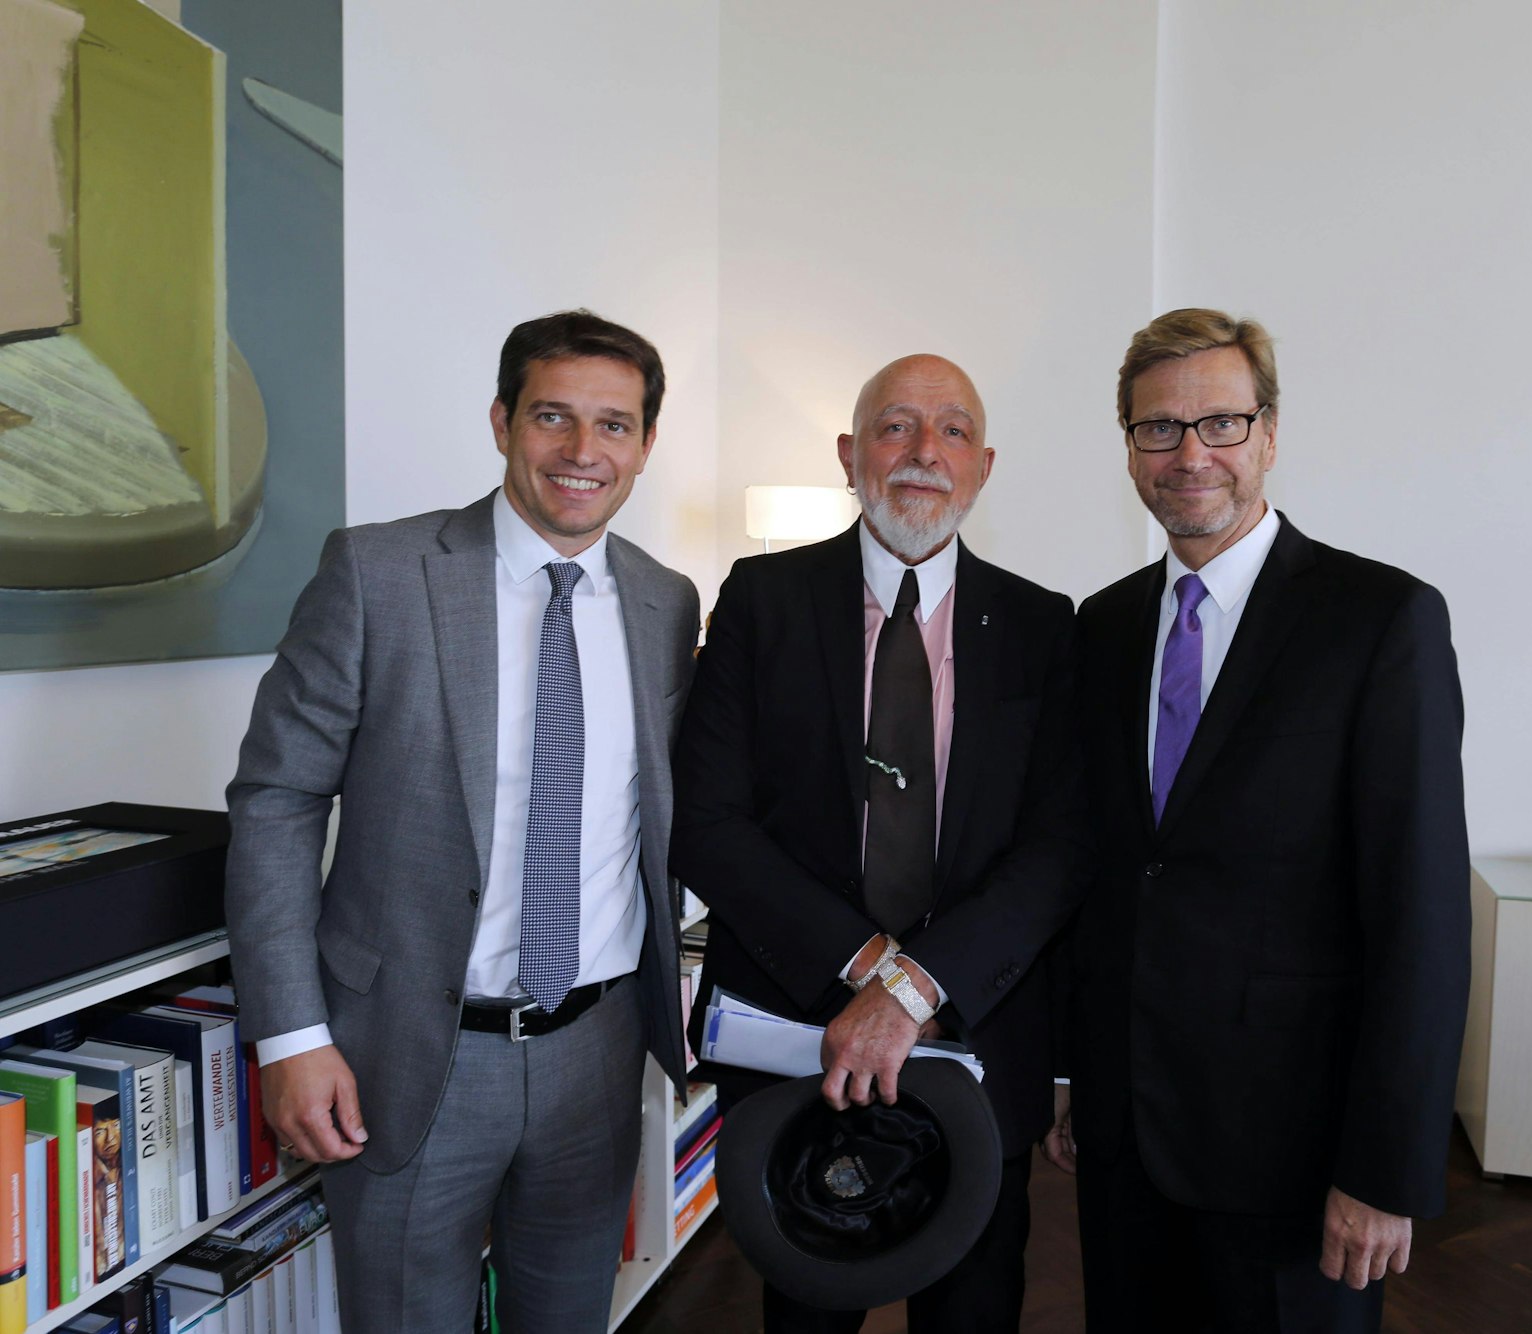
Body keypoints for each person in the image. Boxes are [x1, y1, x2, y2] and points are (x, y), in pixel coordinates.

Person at [225, 309, 699, 1332]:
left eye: (615, 425)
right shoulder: (379, 572)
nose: (583, 451)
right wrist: (291, 1036)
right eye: (553, 416)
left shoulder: (668, 603)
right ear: (500, 421)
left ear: (647, 445)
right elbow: (276, 799)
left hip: (600, 1046)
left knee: (568, 1313)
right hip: (411, 1051)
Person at [1050, 308, 1469, 1332]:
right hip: (1124, 1139)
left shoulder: (1380, 621)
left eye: (1221, 424)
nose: (1190, 454)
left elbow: (1421, 915)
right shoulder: (1099, 627)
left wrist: (1387, 1164)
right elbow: (1097, 872)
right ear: (1131, 449)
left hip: (1297, 1156)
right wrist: (1069, 1069)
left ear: (1269, 436)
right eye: (1158, 429)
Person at [672, 354, 1091, 1333]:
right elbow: (708, 820)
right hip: (796, 1034)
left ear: (983, 466)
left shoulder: (1044, 626)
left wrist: (917, 986)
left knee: (974, 1310)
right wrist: (868, 968)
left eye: (951, 431)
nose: (922, 452)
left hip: (975, 1039)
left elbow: (1062, 846)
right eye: (896, 425)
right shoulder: (760, 597)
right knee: (807, 1309)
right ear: (849, 452)